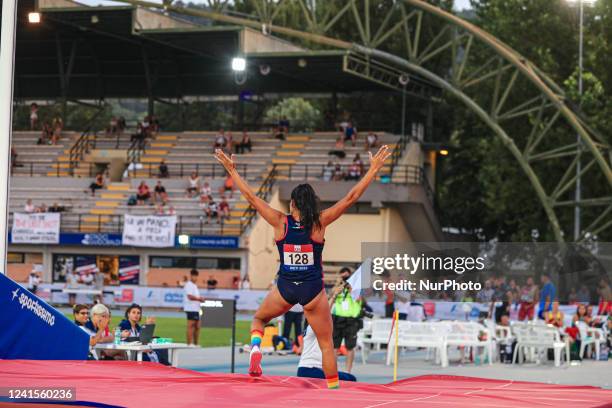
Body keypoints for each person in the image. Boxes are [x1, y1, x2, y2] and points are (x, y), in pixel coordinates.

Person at [214, 144, 391, 388]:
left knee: (258, 320)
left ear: (294, 204)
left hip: (286, 286)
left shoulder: (279, 222)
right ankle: (333, 390)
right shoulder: (319, 224)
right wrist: (373, 170)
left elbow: (252, 199)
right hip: (312, 291)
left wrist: (232, 171)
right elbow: (351, 198)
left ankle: (256, 348)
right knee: (326, 345)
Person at [329, 267, 363, 373]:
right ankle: (333, 370)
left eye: (347, 276)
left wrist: (350, 287)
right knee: (335, 347)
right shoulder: (337, 288)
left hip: (351, 320)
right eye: (343, 276)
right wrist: (339, 285)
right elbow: (331, 296)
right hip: (338, 318)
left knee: (350, 347)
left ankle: (348, 371)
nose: (345, 279)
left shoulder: (356, 288)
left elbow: (359, 299)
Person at [184, 269, 204, 345]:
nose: (195, 278)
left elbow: (195, 296)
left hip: (196, 308)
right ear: (191, 276)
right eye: (193, 276)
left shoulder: (194, 286)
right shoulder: (189, 284)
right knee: (191, 326)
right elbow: (190, 296)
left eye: (196, 276)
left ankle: (196, 343)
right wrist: (199, 299)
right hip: (190, 308)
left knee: (197, 326)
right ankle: (189, 343)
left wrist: (199, 299)